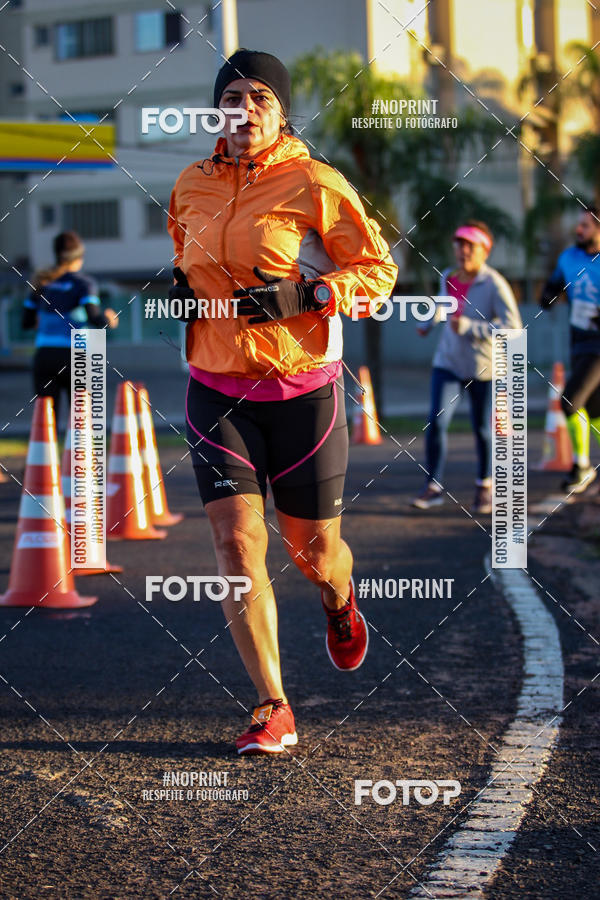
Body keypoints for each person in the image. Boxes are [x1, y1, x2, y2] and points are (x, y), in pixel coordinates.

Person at [167, 49, 397, 755]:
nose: (246, 107)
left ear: (281, 108)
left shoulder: (314, 181)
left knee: (312, 551)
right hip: (215, 390)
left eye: (260, 95)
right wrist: (183, 290)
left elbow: (378, 273)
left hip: (303, 395)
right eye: (232, 95)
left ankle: (337, 597)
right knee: (238, 544)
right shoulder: (190, 184)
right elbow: (185, 256)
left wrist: (316, 293)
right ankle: (274, 704)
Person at [412, 220, 522, 513]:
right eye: (459, 244)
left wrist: (472, 327)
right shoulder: (448, 276)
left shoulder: (494, 283)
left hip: (484, 368)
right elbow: (443, 306)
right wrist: (428, 323)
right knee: (436, 422)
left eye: (469, 245)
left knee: (483, 430)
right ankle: (433, 487)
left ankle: (484, 486)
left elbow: (512, 329)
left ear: (485, 250)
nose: (462, 250)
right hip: (447, 362)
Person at [22, 230, 118, 424]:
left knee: (46, 424)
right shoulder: (84, 283)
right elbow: (94, 318)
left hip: (45, 356)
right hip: (77, 356)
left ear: (56, 254)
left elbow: (26, 323)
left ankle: (47, 455)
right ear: (79, 258)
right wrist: (109, 319)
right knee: (81, 424)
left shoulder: (42, 281)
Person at [539, 205, 600, 494]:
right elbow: (551, 288)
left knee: (569, 401)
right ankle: (584, 466)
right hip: (579, 342)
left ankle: (582, 466)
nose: (579, 230)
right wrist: (549, 295)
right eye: (579, 225)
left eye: (585, 226)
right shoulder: (569, 258)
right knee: (596, 410)